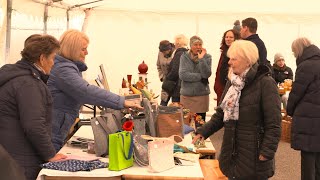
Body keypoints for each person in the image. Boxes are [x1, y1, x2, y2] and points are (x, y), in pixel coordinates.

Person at [192, 40, 281, 179]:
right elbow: (221, 113)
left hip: (254, 157)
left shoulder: (266, 83)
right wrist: (203, 131)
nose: (229, 62)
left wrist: (266, 153)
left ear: (247, 60)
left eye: (234, 58)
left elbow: (274, 123)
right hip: (232, 153)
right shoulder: (233, 83)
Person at [48, 29, 142, 152]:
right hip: (53, 128)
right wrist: (121, 102)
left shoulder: (65, 67)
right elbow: (85, 92)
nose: (86, 53)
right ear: (72, 49)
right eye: (83, 49)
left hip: (57, 125)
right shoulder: (63, 70)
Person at [0, 34, 67, 180]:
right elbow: (34, 125)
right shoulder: (28, 84)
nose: (54, 63)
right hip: (20, 160)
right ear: (42, 58)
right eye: (53, 58)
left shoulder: (17, 75)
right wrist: (50, 154)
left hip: (9, 153)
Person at [287, 37, 320, 180]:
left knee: (307, 159)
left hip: (308, 117)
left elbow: (296, 92)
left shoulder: (305, 65)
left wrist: (289, 110)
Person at [179, 35, 212, 121]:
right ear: (190, 46)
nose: (198, 47)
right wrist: (200, 76)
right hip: (187, 96)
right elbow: (183, 75)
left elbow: (206, 74)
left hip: (201, 96)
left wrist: (201, 59)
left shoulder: (207, 57)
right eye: (195, 45)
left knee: (200, 123)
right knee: (186, 122)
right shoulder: (184, 57)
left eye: (200, 45)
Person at [214, 29, 240, 106]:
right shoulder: (224, 51)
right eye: (226, 37)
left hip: (230, 87)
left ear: (236, 39)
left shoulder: (237, 52)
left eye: (231, 37)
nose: (228, 39)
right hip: (221, 87)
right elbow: (219, 69)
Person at [165, 34, 189, 106]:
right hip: (185, 87)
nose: (174, 44)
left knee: (177, 111)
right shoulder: (187, 53)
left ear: (178, 43)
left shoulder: (179, 54)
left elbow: (175, 71)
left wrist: (167, 79)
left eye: (175, 42)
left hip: (177, 88)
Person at [157, 40, 174, 106]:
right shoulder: (160, 53)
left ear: (169, 49)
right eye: (162, 52)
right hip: (166, 82)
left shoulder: (176, 53)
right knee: (163, 103)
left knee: (175, 105)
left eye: (164, 52)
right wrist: (162, 77)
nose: (163, 53)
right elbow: (158, 66)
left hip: (175, 83)